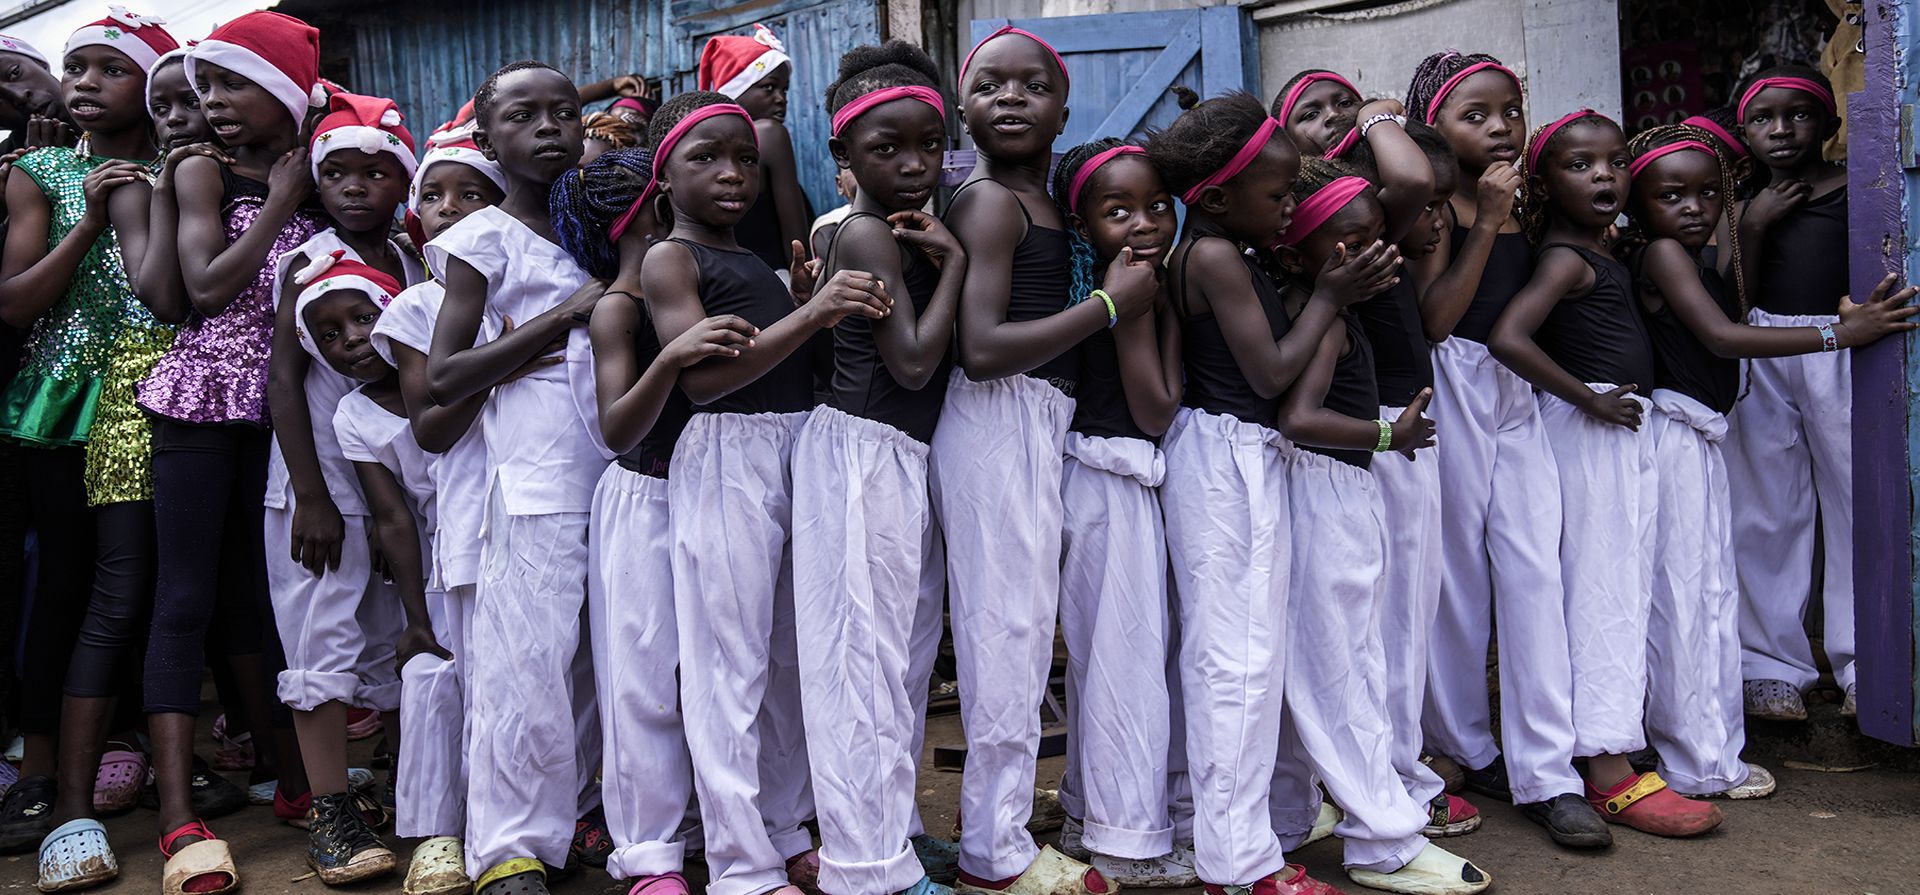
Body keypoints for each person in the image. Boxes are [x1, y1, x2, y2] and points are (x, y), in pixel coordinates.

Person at [638, 86, 889, 895]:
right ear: (663, 174)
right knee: (728, 666)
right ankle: (740, 862)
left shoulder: (756, 260)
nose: (732, 173)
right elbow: (706, 382)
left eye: (745, 157)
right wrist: (812, 311)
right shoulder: (671, 258)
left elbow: (792, 364)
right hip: (726, 458)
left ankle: (782, 827)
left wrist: (802, 299)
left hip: (790, 453)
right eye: (704, 158)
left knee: (786, 658)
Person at [1620, 123, 1913, 800]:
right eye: (1671, 194)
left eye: (1705, 194)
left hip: (1699, 437)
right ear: (1642, 205)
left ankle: (1704, 749)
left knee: (1709, 592)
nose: (1694, 208)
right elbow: (1724, 338)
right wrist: (1845, 330)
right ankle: (1698, 757)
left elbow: (1735, 298)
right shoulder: (1664, 254)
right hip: (1676, 436)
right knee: (1693, 598)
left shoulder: (1693, 253)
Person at [935, 27, 1149, 895]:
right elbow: (982, 348)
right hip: (993, 416)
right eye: (991, 85)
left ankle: (1005, 826)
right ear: (963, 107)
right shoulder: (990, 203)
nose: (1012, 98)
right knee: (1005, 636)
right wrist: (1107, 303)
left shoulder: (1049, 197)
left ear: (1065, 107)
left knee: (1023, 636)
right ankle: (995, 850)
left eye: (1033, 85)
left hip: (1034, 419)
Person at [1488, 109, 1719, 838]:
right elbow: (1507, 336)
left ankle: (1612, 741)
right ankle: (1609, 768)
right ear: (1544, 182)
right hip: (1588, 436)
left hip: (1616, 437)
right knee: (1600, 593)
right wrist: (1586, 397)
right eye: (1580, 165)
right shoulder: (1563, 257)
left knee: (1620, 586)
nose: (1605, 176)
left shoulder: (1601, 250)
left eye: (1616, 162)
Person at [1144, 88, 1352, 895]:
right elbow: (1268, 372)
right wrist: (1332, 296)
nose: (1291, 206)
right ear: (1220, 197)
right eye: (1277, 194)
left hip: (1236, 455)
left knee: (1239, 656)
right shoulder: (1215, 255)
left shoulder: (1224, 245)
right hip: (1224, 460)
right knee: (1236, 661)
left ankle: (1227, 833)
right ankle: (1238, 865)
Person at [1401, 51, 1605, 849]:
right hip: (1451, 384)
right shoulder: (1438, 212)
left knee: (1534, 569)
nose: (1498, 128)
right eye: (1474, 114)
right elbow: (1436, 320)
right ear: (1436, 127)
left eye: (1509, 111)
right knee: (1453, 576)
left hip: (1517, 392)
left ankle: (1549, 770)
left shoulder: (1529, 201)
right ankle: (1464, 745)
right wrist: (1483, 218)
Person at [1267, 158, 1484, 895]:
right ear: (1299, 255)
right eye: (1352, 245)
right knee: (1343, 667)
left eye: (1380, 240)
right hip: (1327, 494)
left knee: (1344, 659)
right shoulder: (1321, 318)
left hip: (1339, 493)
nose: (1381, 254)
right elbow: (1299, 418)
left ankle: (1300, 814)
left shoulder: (1336, 310)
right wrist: (1389, 438)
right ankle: (1383, 840)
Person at [424, 61, 606, 895]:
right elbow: (443, 377)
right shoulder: (481, 239)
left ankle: (592, 811)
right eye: (523, 116)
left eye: (564, 113)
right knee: (524, 659)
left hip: (620, 448)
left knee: (609, 658)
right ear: (487, 139)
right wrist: (561, 319)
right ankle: (509, 846)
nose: (548, 129)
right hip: (534, 457)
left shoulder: (607, 224)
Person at [792, 40, 969, 895]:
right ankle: (865, 865)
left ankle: (890, 833)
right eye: (885, 149)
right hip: (861, 454)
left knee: (894, 663)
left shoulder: (893, 230)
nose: (911, 165)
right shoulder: (866, 231)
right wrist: (961, 267)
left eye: (927, 147)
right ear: (842, 157)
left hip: (890, 457)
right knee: (860, 665)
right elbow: (910, 364)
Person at [0, 9, 171, 876]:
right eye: (76, 66)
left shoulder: (182, 169)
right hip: (69, 401)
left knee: (161, 582)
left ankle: (139, 746)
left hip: (163, 395)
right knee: (67, 583)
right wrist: (89, 223)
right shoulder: (39, 171)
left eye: (110, 67)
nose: (85, 82)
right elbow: (17, 302)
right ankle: (40, 772)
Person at [552, 144, 747, 895]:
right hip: (643, 501)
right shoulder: (618, 309)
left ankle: (708, 826)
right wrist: (671, 360)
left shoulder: (701, 279)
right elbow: (617, 429)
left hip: (710, 493)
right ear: (650, 208)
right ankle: (650, 852)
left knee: (716, 670)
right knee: (642, 681)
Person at [267, 91, 426, 883]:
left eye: (376, 172)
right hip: (321, 478)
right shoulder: (308, 257)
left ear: (403, 181)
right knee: (321, 628)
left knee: (401, 624)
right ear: (317, 183)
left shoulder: (413, 255)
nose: (357, 186)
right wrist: (311, 494)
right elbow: (285, 379)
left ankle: (404, 782)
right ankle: (330, 805)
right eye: (339, 173)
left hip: (394, 475)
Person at [371, 122, 510, 895]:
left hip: (537, 504)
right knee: (464, 671)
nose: (449, 207)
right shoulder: (418, 308)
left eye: (472, 193)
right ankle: (447, 828)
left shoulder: (526, 285)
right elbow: (433, 423)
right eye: (434, 193)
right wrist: (510, 356)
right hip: (463, 512)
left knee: (542, 672)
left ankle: (548, 812)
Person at [1046, 137, 1187, 888]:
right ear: (1082, 222)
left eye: (1158, 205)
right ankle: (1125, 841)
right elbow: (1158, 406)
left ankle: (1084, 807)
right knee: (1126, 661)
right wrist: (1160, 315)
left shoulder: (1121, 275)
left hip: (1101, 474)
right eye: (1119, 210)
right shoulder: (1129, 285)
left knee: (1107, 655)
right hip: (1109, 477)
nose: (1145, 223)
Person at [1341, 120, 1484, 838]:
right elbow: (1410, 180)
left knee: (1406, 618)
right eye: (1426, 208)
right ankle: (1395, 777)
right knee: (1388, 624)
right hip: (1382, 444)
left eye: (1440, 209)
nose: (1433, 218)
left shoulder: (1389, 249)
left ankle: (1396, 764)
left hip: (1403, 441)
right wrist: (1370, 115)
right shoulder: (1360, 235)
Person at [1721, 66, 1859, 720]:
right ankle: (1772, 666)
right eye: (1762, 118)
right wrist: (1752, 221)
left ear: (1830, 124)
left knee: (1857, 499)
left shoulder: (1861, 188)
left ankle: (1867, 663)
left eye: (1799, 114)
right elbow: (1728, 287)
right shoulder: (1736, 198)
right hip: (1763, 351)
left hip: (1844, 347)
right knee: (1765, 505)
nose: (1780, 129)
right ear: (1741, 129)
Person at [698, 24, 810, 275]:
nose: (781, 98)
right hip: (776, 278)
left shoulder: (703, 149)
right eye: (769, 87)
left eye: (784, 89)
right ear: (735, 91)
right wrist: (807, 286)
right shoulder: (769, 133)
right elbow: (796, 243)